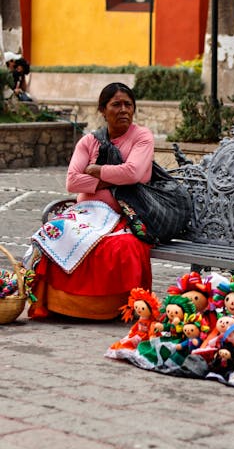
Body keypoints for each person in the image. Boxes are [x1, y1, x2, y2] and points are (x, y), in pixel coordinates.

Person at [26, 82, 154, 320]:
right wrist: (114, 177)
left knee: (122, 247)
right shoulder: (89, 142)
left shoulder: (142, 137)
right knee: (52, 232)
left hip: (126, 215)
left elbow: (134, 173)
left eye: (128, 104)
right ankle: (60, 304)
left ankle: (111, 309)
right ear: (102, 110)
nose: (124, 109)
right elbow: (72, 181)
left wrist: (96, 170)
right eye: (116, 104)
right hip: (85, 212)